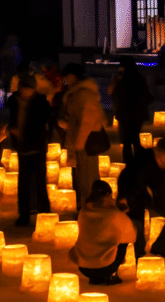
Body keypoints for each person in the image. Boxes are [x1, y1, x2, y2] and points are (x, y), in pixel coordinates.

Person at [117, 137, 165, 258]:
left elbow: (162, 182)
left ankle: (161, 247)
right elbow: (129, 181)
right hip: (131, 189)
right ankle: (137, 253)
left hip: (156, 188)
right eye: (164, 157)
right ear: (156, 151)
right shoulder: (141, 161)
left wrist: (157, 197)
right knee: (136, 222)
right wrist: (125, 200)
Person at [70, 179, 136, 286]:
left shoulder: (84, 211)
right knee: (123, 241)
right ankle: (109, 275)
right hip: (105, 267)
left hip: (83, 267)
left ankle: (95, 278)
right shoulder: (114, 214)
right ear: (108, 195)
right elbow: (131, 236)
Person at [59, 62, 107, 208]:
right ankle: (87, 206)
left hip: (86, 143)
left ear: (73, 76)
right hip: (80, 141)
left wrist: (78, 144)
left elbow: (87, 121)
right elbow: (77, 118)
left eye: (66, 77)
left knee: (87, 178)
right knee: (82, 177)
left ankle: (91, 208)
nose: (65, 80)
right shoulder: (76, 93)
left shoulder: (84, 94)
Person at [7, 73, 51, 226]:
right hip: (22, 147)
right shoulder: (13, 102)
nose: (25, 92)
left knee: (40, 182)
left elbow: (44, 124)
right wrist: (13, 131)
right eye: (23, 89)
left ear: (34, 89)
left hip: (37, 147)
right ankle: (24, 214)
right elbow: (11, 119)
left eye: (29, 89)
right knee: (23, 182)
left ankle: (45, 213)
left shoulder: (41, 103)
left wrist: (43, 137)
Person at [110, 58, 152, 165]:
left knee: (128, 140)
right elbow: (147, 96)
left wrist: (116, 82)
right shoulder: (139, 78)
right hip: (138, 114)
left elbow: (115, 94)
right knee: (133, 138)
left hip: (126, 114)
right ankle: (141, 160)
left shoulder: (123, 80)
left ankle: (134, 161)